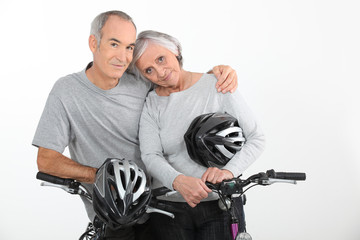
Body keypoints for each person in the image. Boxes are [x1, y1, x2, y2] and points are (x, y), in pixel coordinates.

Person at [33, 10, 239, 240]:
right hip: (112, 215)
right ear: (94, 42)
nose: (123, 57)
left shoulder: (141, 79)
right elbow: (46, 159)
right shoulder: (66, 91)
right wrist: (103, 176)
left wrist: (215, 76)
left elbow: (178, 84)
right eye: (114, 44)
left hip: (161, 207)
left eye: (129, 47)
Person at [132, 30, 266, 240]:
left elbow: (256, 138)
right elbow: (150, 155)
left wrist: (228, 172)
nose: (160, 71)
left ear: (175, 50)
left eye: (161, 58)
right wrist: (177, 181)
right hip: (169, 210)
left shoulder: (217, 84)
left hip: (220, 205)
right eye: (149, 70)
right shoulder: (152, 104)